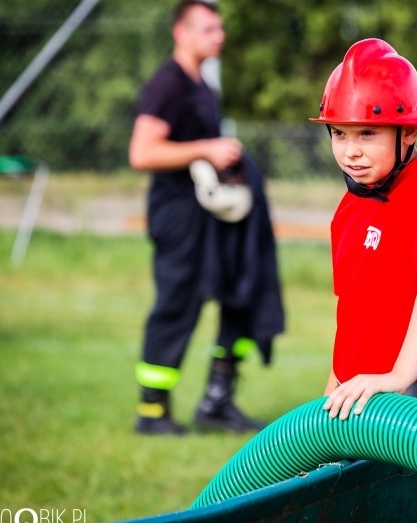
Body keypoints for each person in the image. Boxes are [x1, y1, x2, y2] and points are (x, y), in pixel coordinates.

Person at [128, 0, 284, 435]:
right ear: (181, 33)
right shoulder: (168, 84)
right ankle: (152, 412)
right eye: (209, 29)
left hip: (212, 219)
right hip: (179, 219)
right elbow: (142, 153)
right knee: (177, 304)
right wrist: (207, 148)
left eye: (220, 29)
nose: (220, 37)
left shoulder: (202, 85)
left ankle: (218, 401)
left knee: (243, 292)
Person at [311, 38, 417, 421]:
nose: (350, 151)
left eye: (368, 133)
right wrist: (328, 402)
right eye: (339, 133)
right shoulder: (349, 206)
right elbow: (352, 321)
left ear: (410, 131)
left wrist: (399, 378)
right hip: (357, 407)